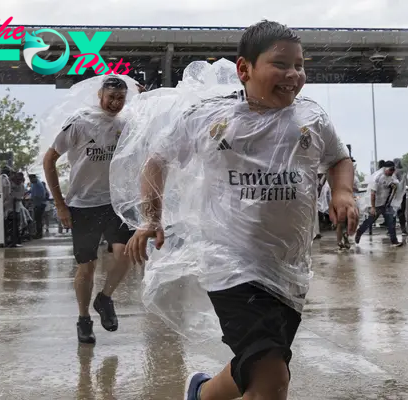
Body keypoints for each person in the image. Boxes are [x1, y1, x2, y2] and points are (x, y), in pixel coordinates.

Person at [124, 20, 358, 400]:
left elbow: (339, 158)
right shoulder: (210, 117)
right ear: (244, 69)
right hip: (231, 266)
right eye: (281, 64)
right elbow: (156, 161)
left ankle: (200, 393)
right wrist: (151, 219)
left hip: (289, 269)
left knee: (259, 366)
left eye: (299, 65)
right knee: (272, 380)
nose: (294, 75)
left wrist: (343, 192)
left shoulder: (311, 118)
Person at [43, 76, 143, 344]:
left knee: (127, 255)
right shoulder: (80, 122)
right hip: (83, 205)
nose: (115, 103)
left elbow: (152, 138)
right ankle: (83, 318)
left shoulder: (127, 121)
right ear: (100, 95)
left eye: (121, 98)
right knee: (86, 268)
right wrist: (60, 204)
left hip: (116, 203)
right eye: (111, 97)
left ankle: (105, 297)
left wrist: (147, 103)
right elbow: (49, 159)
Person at [355, 161, 402, 247]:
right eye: (391, 170)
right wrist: (373, 207)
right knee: (370, 221)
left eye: (393, 170)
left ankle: (394, 241)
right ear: (385, 169)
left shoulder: (391, 176)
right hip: (376, 204)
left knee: (391, 222)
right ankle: (359, 232)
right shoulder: (377, 177)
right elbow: (373, 193)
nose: (392, 172)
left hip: (386, 204)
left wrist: (394, 185)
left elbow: (396, 183)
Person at [29, 174, 47, 239]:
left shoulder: (38, 184)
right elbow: (31, 191)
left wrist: (32, 199)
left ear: (34, 178)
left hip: (40, 204)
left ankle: (39, 234)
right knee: (37, 220)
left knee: (38, 220)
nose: (30, 180)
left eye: (31, 179)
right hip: (37, 204)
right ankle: (38, 233)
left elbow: (40, 196)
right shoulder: (33, 184)